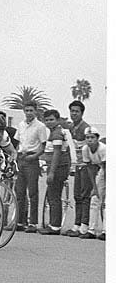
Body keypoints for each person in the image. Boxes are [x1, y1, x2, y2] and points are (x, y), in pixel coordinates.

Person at [14, 101, 47, 233]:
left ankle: (33, 223)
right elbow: (18, 142)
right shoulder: (21, 125)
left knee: (33, 192)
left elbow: (43, 146)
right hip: (21, 159)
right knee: (19, 192)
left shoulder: (40, 126)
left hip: (32, 159)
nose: (28, 113)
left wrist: (34, 157)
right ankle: (20, 221)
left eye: (31, 111)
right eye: (26, 110)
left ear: (36, 111)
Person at [38, 110, 71, 235]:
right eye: (46, 120)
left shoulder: (57, 133)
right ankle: (53, 224)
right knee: (53, 196)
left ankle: (55, 226)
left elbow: (57, 153)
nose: (49, 122)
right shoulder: (55, 132)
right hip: (58, 167)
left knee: (54, 197)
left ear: (57, 120)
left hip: (58, 168)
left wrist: (51, 172)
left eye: (51, 119)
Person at [63, 100, 91, 237]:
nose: (74, 113)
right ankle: (77, 224)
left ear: (82, 113)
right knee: (77, 196)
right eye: (72, 111)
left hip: (87, 166)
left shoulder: (86, 128)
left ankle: (84, 226)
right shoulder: (71, 128)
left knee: (85, 196)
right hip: (77, 166)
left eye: (77, 111)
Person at [79, 127, 106, 240]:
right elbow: (90, 168)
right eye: (88, 137)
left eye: (92, 137)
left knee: (106, 202)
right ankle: (91, 230)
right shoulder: (85, 149)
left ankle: (106, 230)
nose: (90, 140)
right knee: (95, 199)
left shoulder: (103, 149)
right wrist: (94, 188)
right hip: (101, 170)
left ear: (97, 139)